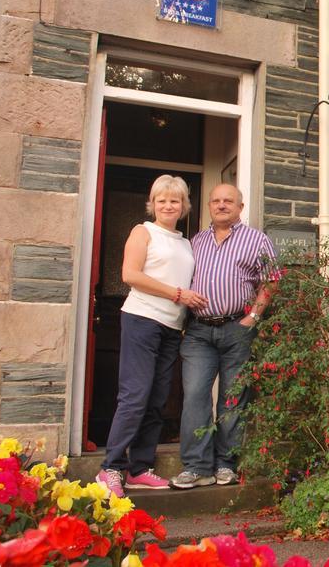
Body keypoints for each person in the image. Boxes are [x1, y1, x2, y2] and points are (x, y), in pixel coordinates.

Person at [97, 175, 208, 498]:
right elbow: (130, 275)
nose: (168, 205)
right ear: (153, 203)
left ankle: (140, 469)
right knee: (135, 396)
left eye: (174, 200)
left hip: (172, 327)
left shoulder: (185, 242)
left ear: (183, 206)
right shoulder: (143, 232)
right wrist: (178, 294)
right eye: (162, 200)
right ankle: (111, 468)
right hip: (142, 319)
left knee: (157, 400)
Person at [171, 184, 276, 489]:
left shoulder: (256, 240)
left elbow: (272, 279)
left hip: (236, 329)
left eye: (228, 201)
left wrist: (253, 317)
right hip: (199, 331)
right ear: (209, 207)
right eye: (215, 201)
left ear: (240, 207)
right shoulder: (196, 242)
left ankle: (226, 464)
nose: (221, 205)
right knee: (195, 396)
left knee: (232, 398)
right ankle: (195, 466)